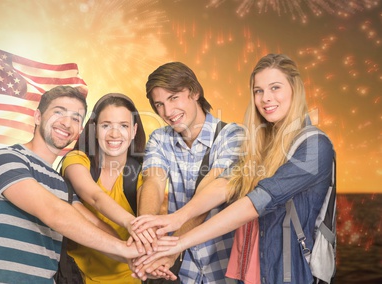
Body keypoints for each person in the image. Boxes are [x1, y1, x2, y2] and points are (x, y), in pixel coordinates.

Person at [132, 54, 335, 284]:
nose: (266, 98)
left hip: (287, 272)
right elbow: (156, 182)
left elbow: (249, 198)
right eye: (258, 91)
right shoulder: (261, 144)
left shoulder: (314, 145)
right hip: (249, 271)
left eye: (275, 87)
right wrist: (148, 238)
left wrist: (176, 236)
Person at [0, 86, 176, 283]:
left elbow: (92, 224)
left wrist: (137, 258)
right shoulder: (6, 158)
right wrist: (128, 239)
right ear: (38, 117)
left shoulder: (60, 185)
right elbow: (55, 212)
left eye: (75, 118)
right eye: (58, 112)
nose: (67, 122)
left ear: (80, 130)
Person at [134, 62, 245, 283]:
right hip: (184, 272)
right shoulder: (160, 138)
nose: (167, 112)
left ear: (195, 92)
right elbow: (153, 183)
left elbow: (211, 192)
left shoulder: (232, 135)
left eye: (173, 98)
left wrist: (172, 246)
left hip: (225, 267)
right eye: (159, 104)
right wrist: (145, 235)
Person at [61, 93, 166, 283]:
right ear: (94, 129)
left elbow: (153, 207)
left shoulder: (142, 173)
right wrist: (131, 223)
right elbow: (95, 197)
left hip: (129, 276)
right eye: (106, 125)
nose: (114, 134)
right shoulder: (76, 160)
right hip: (75, 275)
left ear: (134, 131)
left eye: (123, 126)